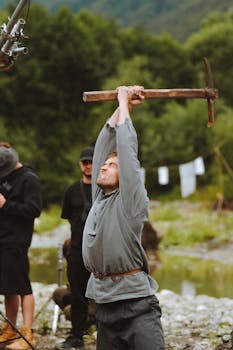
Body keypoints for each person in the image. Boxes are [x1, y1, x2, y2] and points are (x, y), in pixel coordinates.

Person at [82, 86, 165, 350]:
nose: (104, 166)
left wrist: (122, 99)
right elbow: (101, 149)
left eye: (112, 166)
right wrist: (122, 105)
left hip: (136, 305)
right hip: (104, 305)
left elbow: (128, 155)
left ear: (124, 178)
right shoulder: (99, 198)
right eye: (105, 165)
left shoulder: (130, 201)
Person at [0, 143, 42, 350]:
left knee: (22, 286)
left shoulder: (29, 179)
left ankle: (27, 333)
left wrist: (5, 205)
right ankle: (10, 327)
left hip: (17, 240)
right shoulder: (6, 177)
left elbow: (34, 210)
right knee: (8, 287)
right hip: (3, 238)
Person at [55, 147, 94, 350]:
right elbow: (69, 219)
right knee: (77, 295)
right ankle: (76, 335)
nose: (88, 165)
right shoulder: (72, 190)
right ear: (80, 164)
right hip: (77, 249)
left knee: (105, 294)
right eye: (85, 162)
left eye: (91, 162)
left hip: (99, 251)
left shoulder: (103, 187)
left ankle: (109, 334)